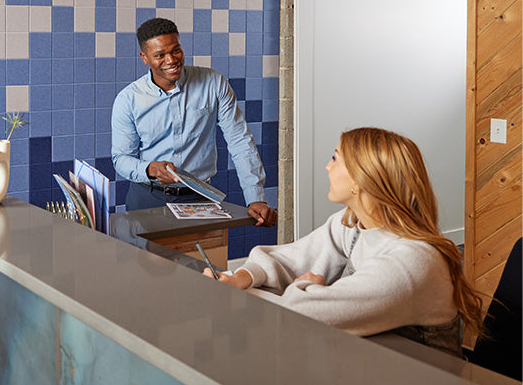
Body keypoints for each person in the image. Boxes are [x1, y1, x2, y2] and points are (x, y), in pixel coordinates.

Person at [207, 127, 484, 355]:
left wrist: (304, 286)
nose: (328, 166)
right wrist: (243, 276)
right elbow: (291, 258)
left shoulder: (412, 262)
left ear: (361, 179)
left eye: (335, 158)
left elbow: (302, 315)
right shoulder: (354, 223)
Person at [111, 17, 276, 226]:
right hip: (147, 197)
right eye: (160, 55)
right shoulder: (128, 99)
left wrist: (256, 198)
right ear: (144, 57)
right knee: (148, 260)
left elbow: (240, 141)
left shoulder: (214, 83)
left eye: (176, 50)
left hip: (199, 198)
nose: (171, 60)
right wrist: (151, 169)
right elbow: (121, 158)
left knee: (201, 259)